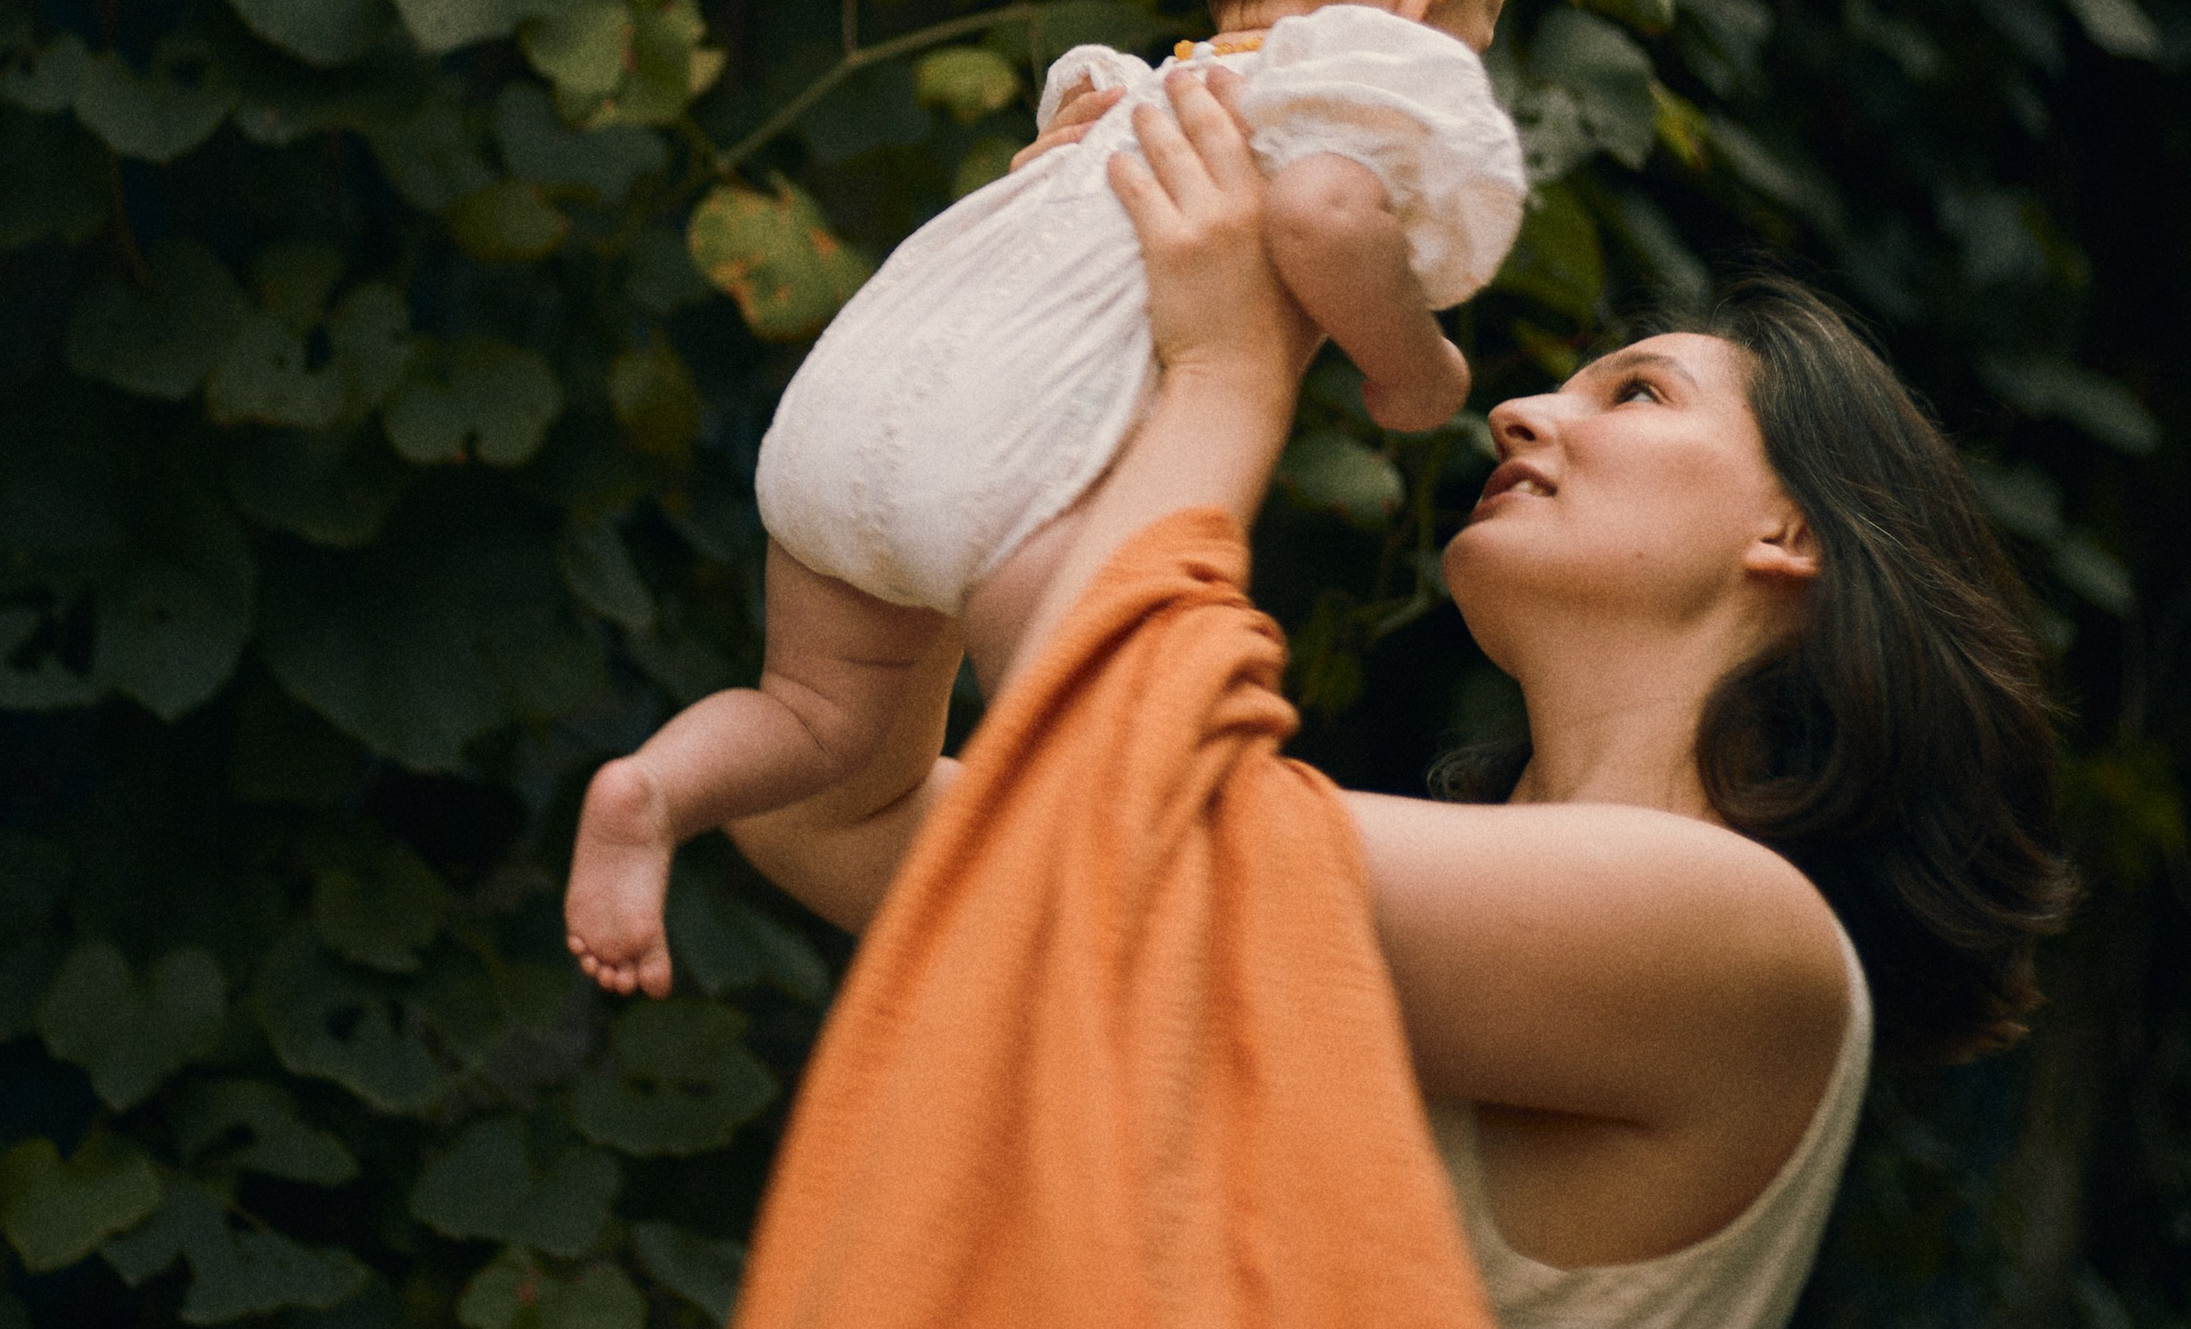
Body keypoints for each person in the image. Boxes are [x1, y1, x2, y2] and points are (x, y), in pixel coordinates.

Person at [726, 72, 2075, 1329]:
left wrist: (1226, 373)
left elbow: (1114, 798)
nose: (1523, 413)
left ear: (1792, 531)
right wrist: (1014, 329)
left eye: (1640, 391)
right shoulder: (1362, 896)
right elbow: (823, 800)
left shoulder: (1749, 940)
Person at [568, 0, 1530, 994]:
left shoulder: (1120, 94)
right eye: (1475, 42)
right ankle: (1097, 995)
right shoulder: (1327, 94)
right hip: (1014, 476)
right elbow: (1323, 207)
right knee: (1091, 757)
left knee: (821, 725)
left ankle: (650, 793)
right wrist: (1417, 366)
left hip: (840, 418)